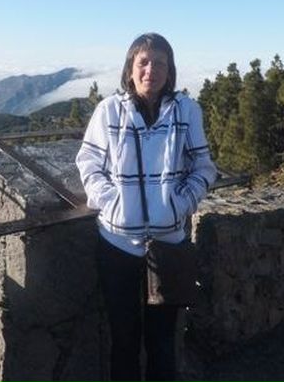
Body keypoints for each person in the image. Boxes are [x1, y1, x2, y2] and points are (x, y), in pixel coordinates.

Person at [75, 32, 217, 382]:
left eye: (160, 63)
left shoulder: (187, 111)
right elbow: (89, 162)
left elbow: (203, 166)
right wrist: (111, 202)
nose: (151, 70)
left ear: (170, 71)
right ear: (130, 68)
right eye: (143, 62)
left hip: (168, 245)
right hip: (117, 246)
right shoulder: (109, 111)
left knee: (162, 342)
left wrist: (180, 204)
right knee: (123, 340)